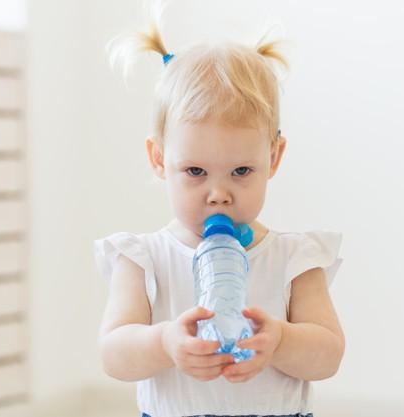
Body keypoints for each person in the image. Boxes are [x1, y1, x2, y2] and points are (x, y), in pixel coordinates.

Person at [94, 2, 345, 416]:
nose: (218, 194)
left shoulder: (295, 259)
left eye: (241, 171)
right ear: (159, 158)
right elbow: (113, 355)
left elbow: (328, 356)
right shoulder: (144, 259)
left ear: (273, 157)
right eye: (195, 171)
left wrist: (282, 340)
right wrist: (163, 342)